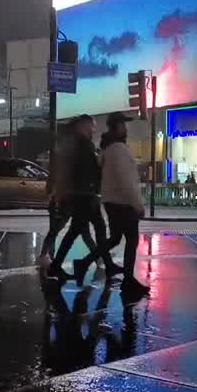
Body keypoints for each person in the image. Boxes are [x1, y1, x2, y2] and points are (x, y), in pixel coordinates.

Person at [83, 113, 148, 293]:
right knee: (131, 239)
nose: (126, 128)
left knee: (115, 238)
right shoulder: (118, 148)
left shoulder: (108, 148)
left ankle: (84, 262)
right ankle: (128, 280)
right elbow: (125, 179)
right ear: (117, 127)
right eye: (124, 125)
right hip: (123, 201)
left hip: (112, 200)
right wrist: (137, 203)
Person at [47, 114, 117, 282]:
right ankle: (60, 266)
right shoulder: (83, 144)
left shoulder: (77, 143)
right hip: (84, 195)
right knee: (81, 231)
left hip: (83, 194)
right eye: (92, 126)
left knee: (87, 230)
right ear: (84, 126)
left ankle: (106, 264)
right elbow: (87, 170)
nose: (94, 129)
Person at [38, 120, 98, 266]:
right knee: (63, 230)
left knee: (72, 231)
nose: (94, 130)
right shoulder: (72, 152)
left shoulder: (66, 153)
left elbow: (55, 177)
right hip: (66, 199)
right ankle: (48, 258)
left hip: (68, 198)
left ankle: (49, 258)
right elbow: (58, 177)